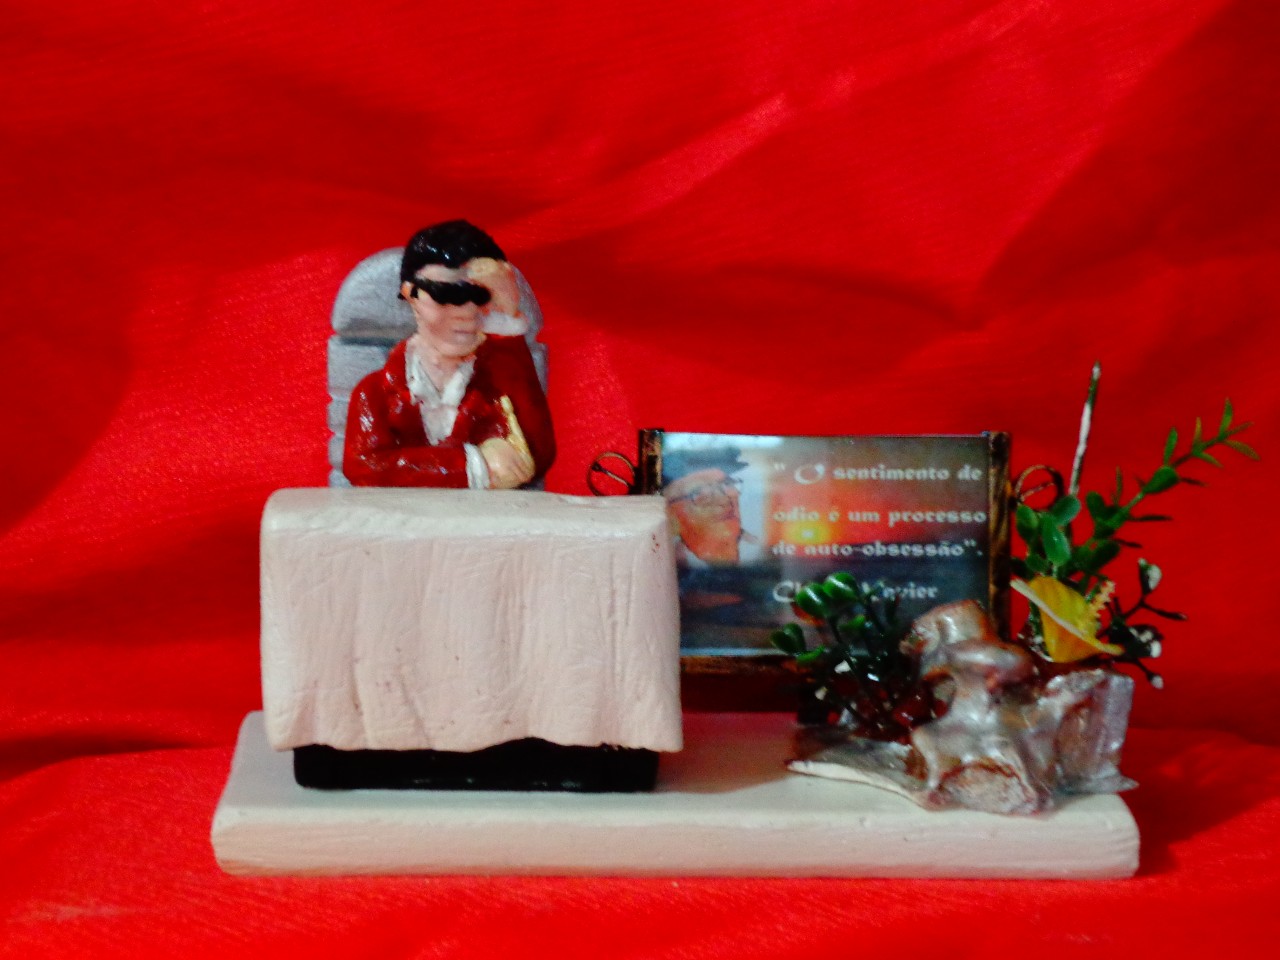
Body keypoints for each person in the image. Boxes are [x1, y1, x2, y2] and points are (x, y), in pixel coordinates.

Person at [343, 221, 555, 489]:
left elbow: (535, 455)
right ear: (411, 293)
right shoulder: (375, 392)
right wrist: (473, 465)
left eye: (480, 295)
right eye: (446, 294)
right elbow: (365, 465)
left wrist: (505, 317)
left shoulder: (496, 387)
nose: (466, 312)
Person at [662, 447, 759, 565]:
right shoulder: (668, 566)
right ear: (671, 515)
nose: (724, 500)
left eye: (727, 484)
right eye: (700, 493)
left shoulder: (764, 553)